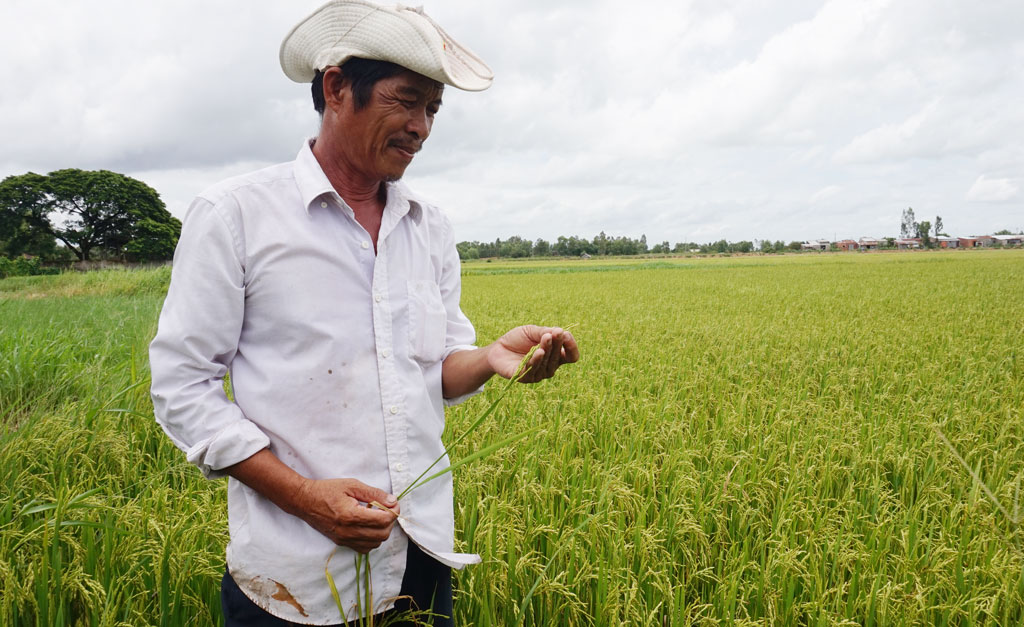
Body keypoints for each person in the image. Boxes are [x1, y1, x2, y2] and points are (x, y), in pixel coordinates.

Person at [148, 1, 579, 625]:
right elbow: (181, 386)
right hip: (295, 577)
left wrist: (486, 359)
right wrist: (305, 498)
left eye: (433, 109)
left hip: (421, 553)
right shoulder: (235, 216)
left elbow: (432, 371)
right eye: (405, 100)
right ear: (335, 88)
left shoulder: (429, 227)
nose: (422, 127)